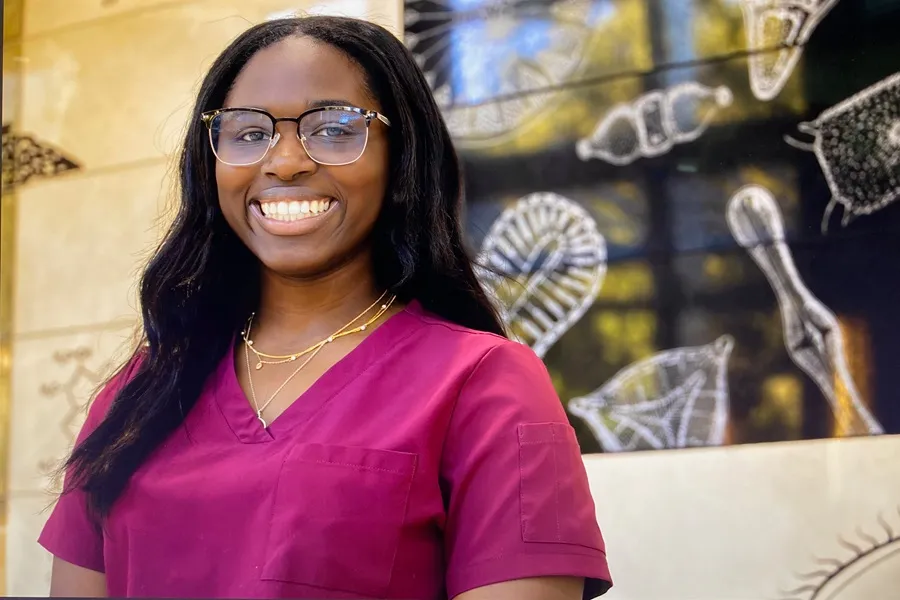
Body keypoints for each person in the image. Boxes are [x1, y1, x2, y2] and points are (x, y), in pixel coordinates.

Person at [38, 15, 611, 600]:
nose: (285, 161)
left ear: (401, 158)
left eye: (335, 128)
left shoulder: (484, 383)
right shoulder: (140, 389)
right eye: (249, 132)